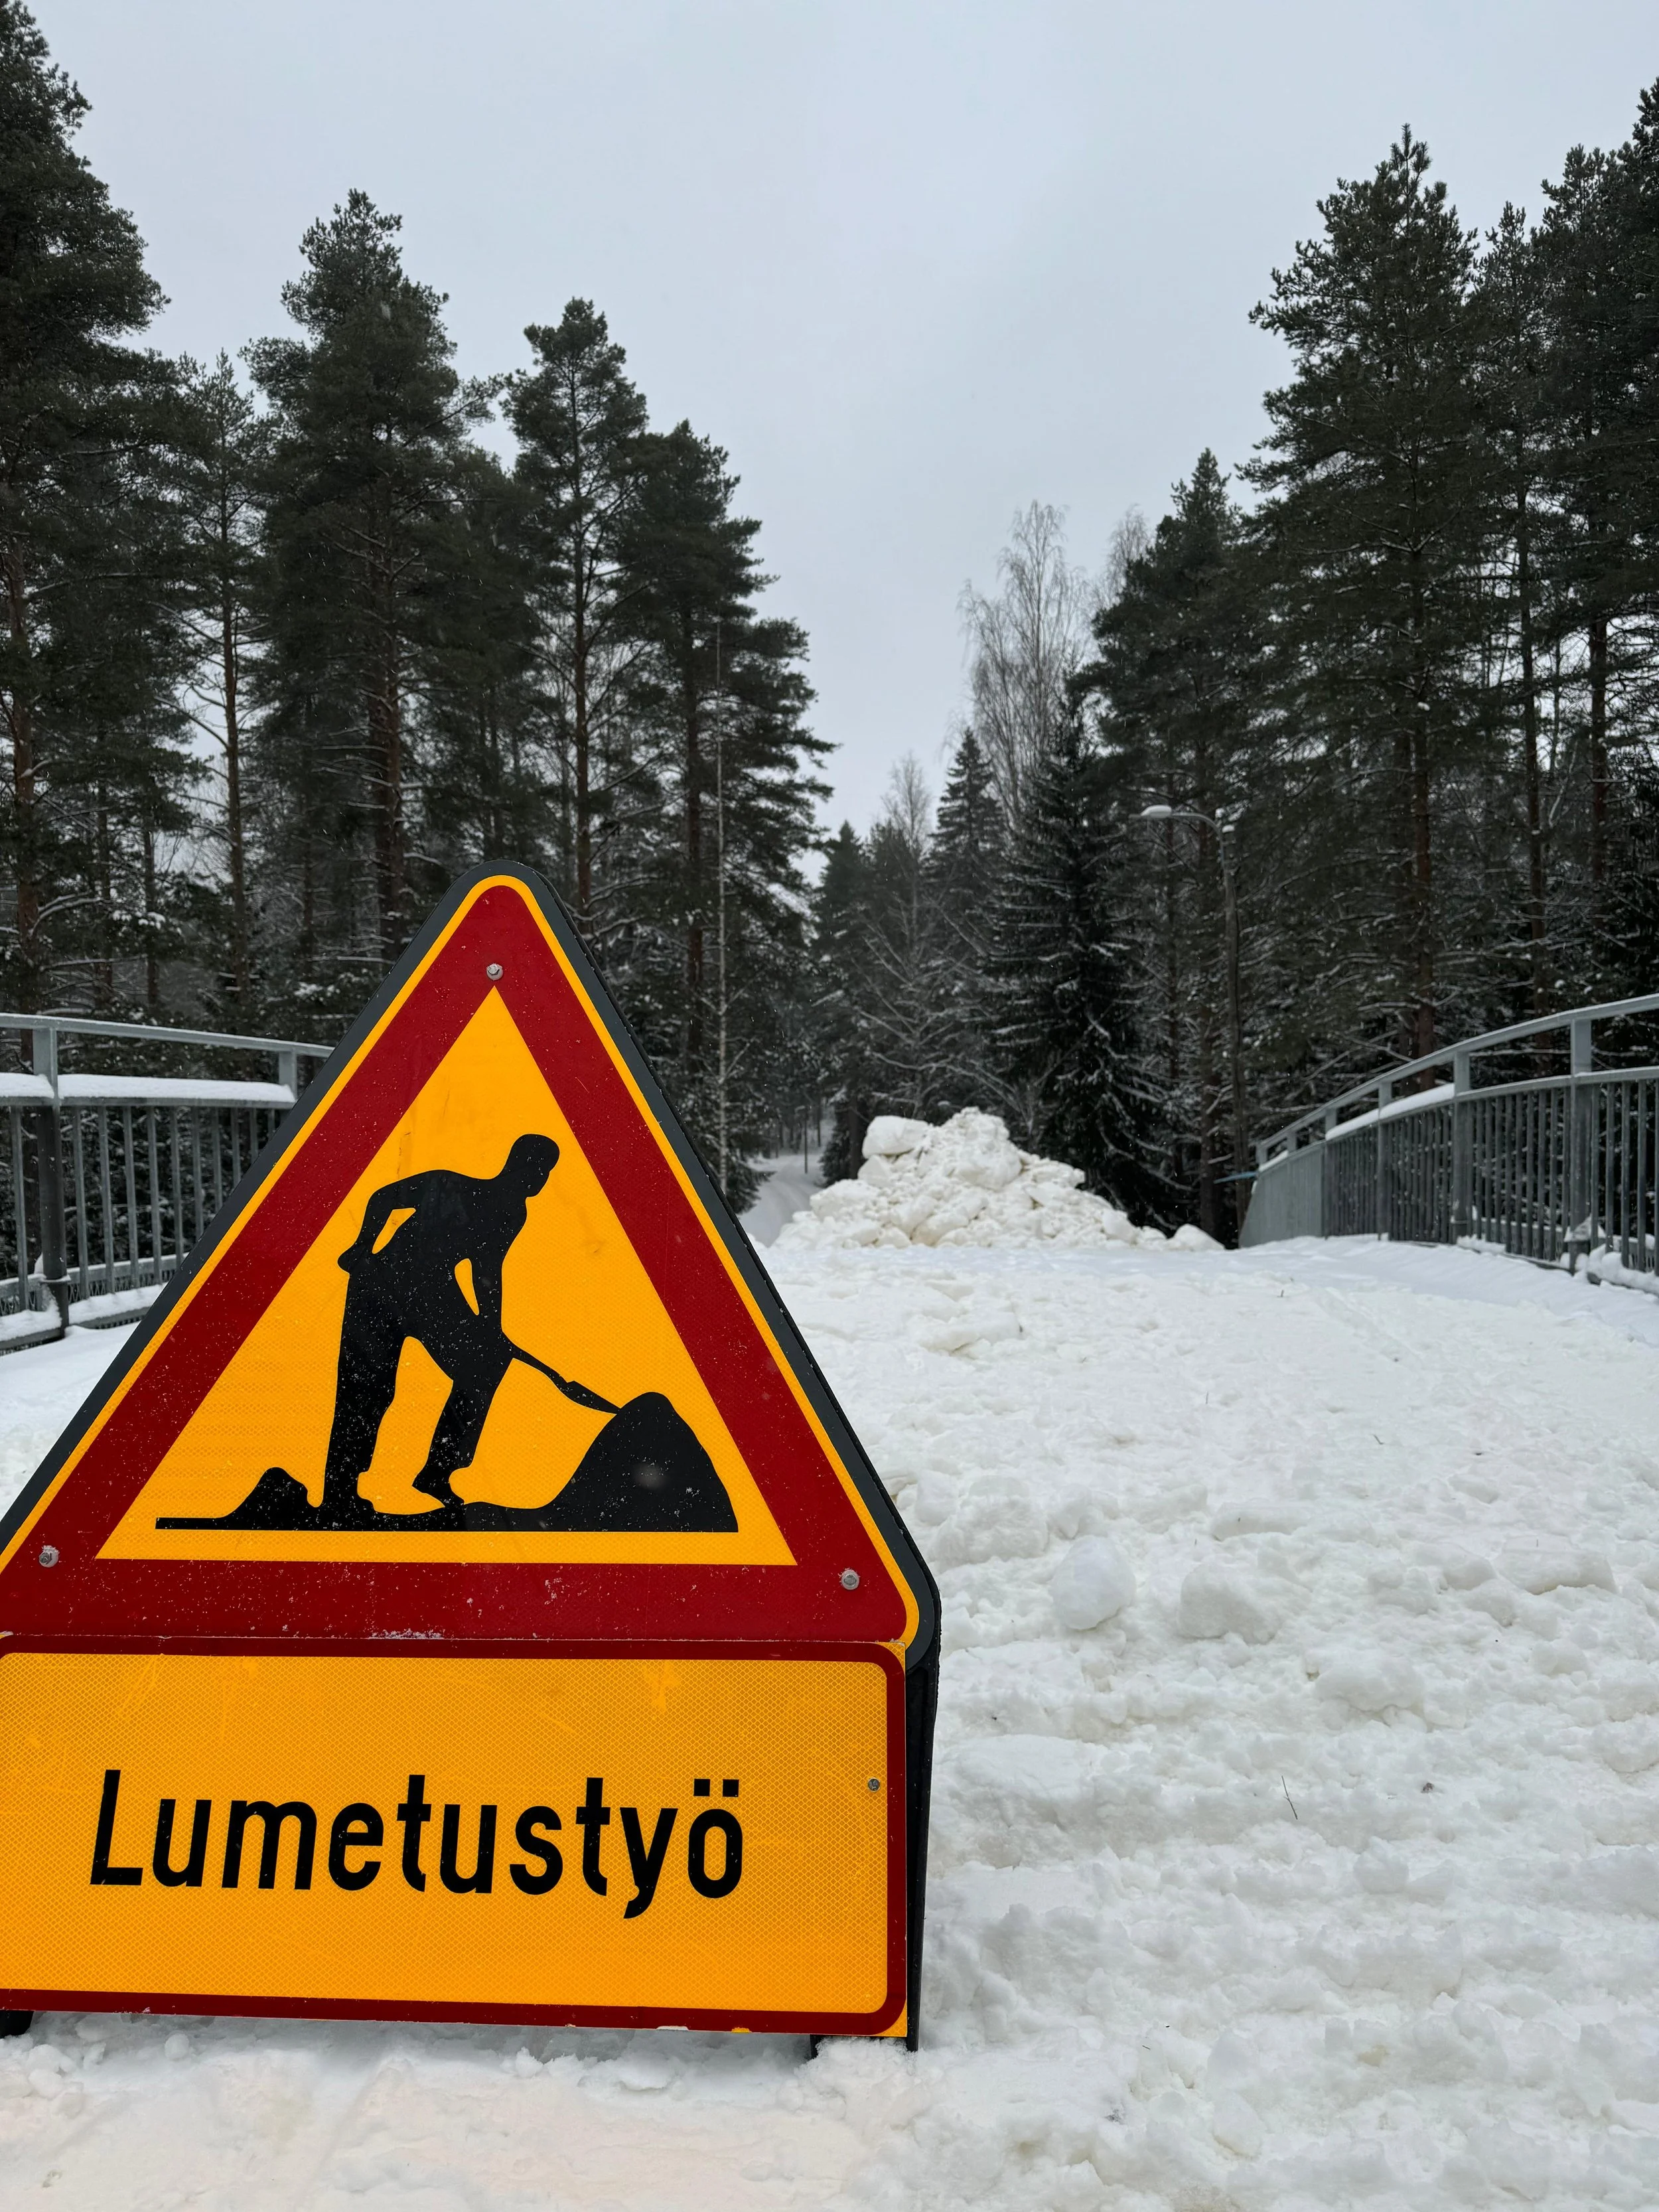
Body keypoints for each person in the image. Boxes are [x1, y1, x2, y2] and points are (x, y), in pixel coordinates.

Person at [321, 1134, 560, 1522]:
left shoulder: (512, 1213)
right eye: (535, 1167)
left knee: (484, 1365)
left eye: (546, 1172)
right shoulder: (447, 1185)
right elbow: (383, 1197)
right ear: (515, 1163)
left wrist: (491, 1328)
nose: (539, 1179)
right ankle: (340, 1491)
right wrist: (362, 1248)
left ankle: (438, 1470)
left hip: (433, 1291)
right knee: (367, 1389)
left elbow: (486, 1270)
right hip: (382, 1284)